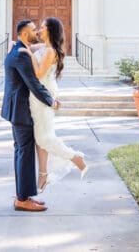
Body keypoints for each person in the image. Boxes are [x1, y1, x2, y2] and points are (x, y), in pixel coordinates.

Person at [24, 17, 88, 192]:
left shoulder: (51, 51)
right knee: (40, 136)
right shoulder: (44, 47)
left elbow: (37, 74)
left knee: (44, 137)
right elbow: (26, 47)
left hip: (42, 94)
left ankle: (75, 158)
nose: (39, 30)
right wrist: (22, 46)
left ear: (51, 31)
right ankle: (43, 175)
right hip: (36, 93)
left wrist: (29, 56)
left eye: (43, 28)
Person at [1, 19, 59, 212]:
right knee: (24, 153)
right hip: (21, 109)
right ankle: (23, 199)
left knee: (21, 152)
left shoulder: (17, 49)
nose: (37, 32)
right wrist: (51, 101)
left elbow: (39, 46)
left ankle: (24, 195)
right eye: (34, 30)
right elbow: (33, 83)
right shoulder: (21, 55)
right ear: (26, 34)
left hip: (15, 108)